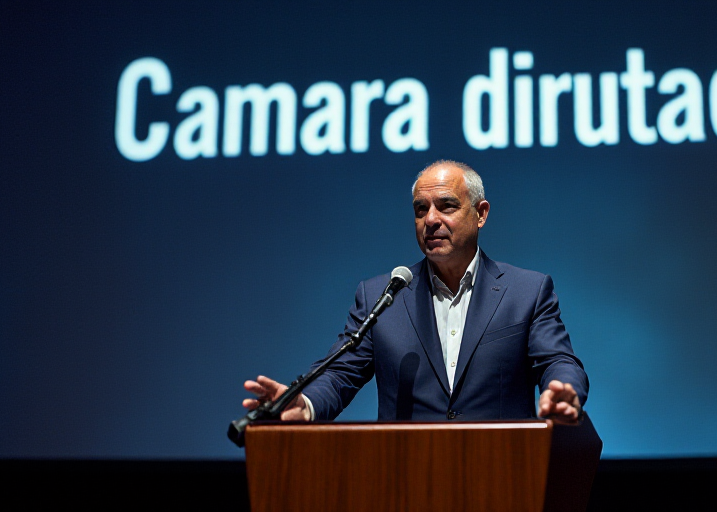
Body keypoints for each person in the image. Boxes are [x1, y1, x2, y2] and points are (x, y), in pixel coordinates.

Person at [243, 160, 587, 424]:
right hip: (406, 479)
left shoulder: (526, 291)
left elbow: (558, 360)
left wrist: (564, 392)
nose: (431, 220)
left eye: (446, 206)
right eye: (421, 210)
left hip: (501, 476)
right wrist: (305, 403)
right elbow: (339, 374)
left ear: (480, 214)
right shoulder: (383, 296)